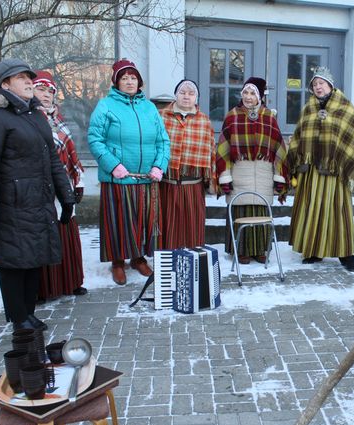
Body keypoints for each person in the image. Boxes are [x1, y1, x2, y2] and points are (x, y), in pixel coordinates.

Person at [0, 58, 74, 331]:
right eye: (21, 78)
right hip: (11, 204)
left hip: (37, 202)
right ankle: (18, 318)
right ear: (5, 84)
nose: (30, 81)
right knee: (13, 262)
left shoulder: (33, 115)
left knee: (33, 258)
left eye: (30, 77)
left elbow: (52, 159)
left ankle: (28, 314)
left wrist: (66, 197)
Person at [88, 59, 170, 285]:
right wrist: (113, 165)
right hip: (119, 177)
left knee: (142, 221)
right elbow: (95, 139)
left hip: (146, 177)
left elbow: (163, 140)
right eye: (124, 78)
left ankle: (137, 258)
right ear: (116, 82)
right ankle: (117, 261)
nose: (129, 82)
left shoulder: (149, 107)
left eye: (133, 78)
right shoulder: (105, 106)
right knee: (119, 221)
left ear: (139, 81)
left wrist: (158, 166)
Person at [287, 67, 354, 272]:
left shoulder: (345, 107)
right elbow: (299, 135)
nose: (318, 87)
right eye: (314, 84)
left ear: (330, 85)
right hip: (312, 170)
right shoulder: (308, 109)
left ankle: (346, 254)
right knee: (312, 208)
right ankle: (313, 250)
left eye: (321, 83)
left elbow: (352, 137)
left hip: (335, 171)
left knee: (337, 211)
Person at [215, 77, 287, 264]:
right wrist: (225, 175)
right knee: (241, 211)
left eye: (252, 93)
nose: (248, 97)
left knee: (261, 212)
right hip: (240, 172)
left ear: (260, 97)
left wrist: (279, 174)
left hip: (263, 173)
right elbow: (222, 148)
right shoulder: (232, 115)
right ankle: (241, 250)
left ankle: (261, 249)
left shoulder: (269, 116)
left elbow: (279, 147)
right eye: (245, 92)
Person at [32, 70, 88, 300]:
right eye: (41, 89)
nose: (46, 95)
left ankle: (70, 281)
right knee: (47, 236)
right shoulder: (30, 119)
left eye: (50, 91)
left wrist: (78, 180)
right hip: (42, 188)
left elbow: (70, 153)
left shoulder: (58, 120)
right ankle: (47, 288)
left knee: (67, 234)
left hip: (64, 185)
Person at [160, 79, 215, 249]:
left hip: (193, 185)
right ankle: (167, 263)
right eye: (182, 92)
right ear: (176, 95)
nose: (186, 96)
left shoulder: (204, 121)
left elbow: (211, 150)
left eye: (191, 94)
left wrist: (211, 180)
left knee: (193, 228)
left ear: (196, 98)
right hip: (167, 184)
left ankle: (192, 263)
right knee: (167, 227)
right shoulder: (161, 116)